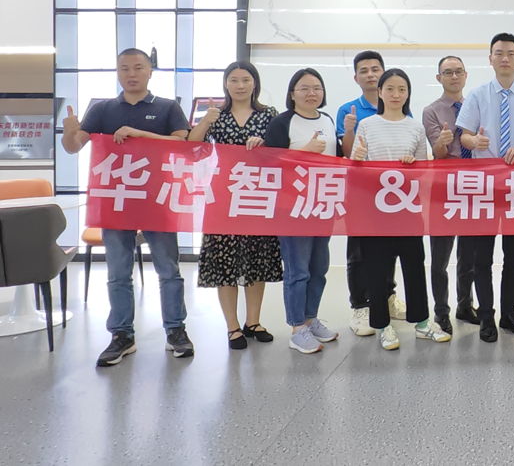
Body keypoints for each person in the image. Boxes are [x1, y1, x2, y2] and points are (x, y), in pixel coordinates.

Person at [61, 47, 195, 367]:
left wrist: (139, 134)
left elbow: (183, 144)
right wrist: (68, 132)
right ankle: (122, 335)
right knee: (118, 272)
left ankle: (175, 330)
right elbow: (74, 146)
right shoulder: (103, 109)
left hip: (157, 199)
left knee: (169, 270)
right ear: (117, 72)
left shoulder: (167, 107)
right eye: (124, 68)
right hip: (116, 200)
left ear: (150, 72)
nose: (131, 74)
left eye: (138, 67)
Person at [351, 69, 452, 350]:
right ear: (380, 92)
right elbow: (356, 170)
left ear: (408, 94)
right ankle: (383, 326)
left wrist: (412, 166)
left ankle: (422, 323)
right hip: (374, 211)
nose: (396, 94)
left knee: (414, 266)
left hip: (407, 211)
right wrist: (356, 159)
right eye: (390, 89)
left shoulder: (415, 127)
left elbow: (422, 173)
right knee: (377, 269)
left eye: (402, 89)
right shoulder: (367, 125)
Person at [188, 61, 282, 350]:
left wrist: (264, 142)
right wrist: (206, 121)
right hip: (224, 195)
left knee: (256, 258)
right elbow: (191, 148)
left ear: (255, 83)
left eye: (246, 79)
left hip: (258, 194)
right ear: (225, 84)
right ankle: (233, 327)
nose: (240, 85)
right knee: (223, 261)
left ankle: (253, 322)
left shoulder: (269, 114)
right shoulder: (216, 114)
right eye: (234, 80)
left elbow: (281, 150)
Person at [457, 33, 514, 342]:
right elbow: (464, 136)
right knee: (482, 257)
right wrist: (474, 141)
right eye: (499, 53)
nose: (505, 58)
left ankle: (509, 314)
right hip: (485, 186)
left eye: (510, 53)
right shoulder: (477, 95)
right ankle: (486, 316)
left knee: (513, 256)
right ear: (490, 59)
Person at [264, 68, 340, 355]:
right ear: (292, 93)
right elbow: (270, 164)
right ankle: (297, 329)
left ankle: (310, 319)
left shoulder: (328, 120)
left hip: (324, 205)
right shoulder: (281, 123)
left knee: (319, 268)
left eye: (317, 88)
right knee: (298, 271)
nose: (312, 93)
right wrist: (304, 151)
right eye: (304, 88)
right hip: (293, 208)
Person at [334, 51, 404, 337]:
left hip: (393, 193)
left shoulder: (399, 105)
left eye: (375, 69)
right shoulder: (348, 110)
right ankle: (360, 306)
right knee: (359, 251)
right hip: (361, 193)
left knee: (390, 249)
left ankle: (387, 297)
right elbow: (347, 153)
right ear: (356, 77)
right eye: (364, 70)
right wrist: (350, 130)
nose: (371, 74)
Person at [421, 55, 478, 335]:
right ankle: (441, 311)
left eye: (458, 72)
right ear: (439, 78)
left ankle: (465, 305)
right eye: (448, 72)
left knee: (469, 254)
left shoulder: (476, 106)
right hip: (444, 189)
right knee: (440, 257)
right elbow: (438, 153)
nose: (454, 77)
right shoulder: (431, 111)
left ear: (466, 75)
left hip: (473, 186)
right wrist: (442, 143)